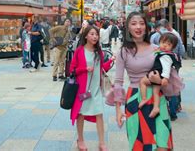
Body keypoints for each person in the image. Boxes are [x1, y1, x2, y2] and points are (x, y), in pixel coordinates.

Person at [114, 12, 173, 150]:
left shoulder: (157, 49)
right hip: (135, 100)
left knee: (162, 143)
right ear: (128, 28)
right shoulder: (124, 52)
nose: (138, 27)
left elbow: (168, 74)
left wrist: (161, 79)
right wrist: (118, 109)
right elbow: (118, 82)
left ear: (146, 27)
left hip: (158, 98)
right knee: (140, 144)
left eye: (141, 23)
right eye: (134, 24)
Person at [69, 25, 115, 151]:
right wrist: (85, 69)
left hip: (95, 89)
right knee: (81, 115)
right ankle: (80, 140)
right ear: (86, 36)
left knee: (99, 114)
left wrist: (110, 61)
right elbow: (71, 70)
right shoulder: (79, 51)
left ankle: (102, 142)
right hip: (83, 90)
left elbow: (101, 69)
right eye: (92, 34)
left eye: (96, 34)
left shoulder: (98, 51)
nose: (95, 37)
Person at [138, 33, 179, 118]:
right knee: (155, 92)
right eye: (163, 42)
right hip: (157, 74)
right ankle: (156, 107)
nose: (165, 45)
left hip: (158, 75)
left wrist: (165, 78)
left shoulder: (166, 56)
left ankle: (145, 98)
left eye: (168, 44)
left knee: (143, 82)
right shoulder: (161, 52)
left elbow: (166, 68)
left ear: (172, 47)